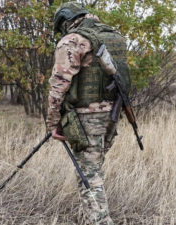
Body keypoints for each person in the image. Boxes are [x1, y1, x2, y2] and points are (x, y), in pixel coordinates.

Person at [47, 2, 131, 225]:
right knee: (94, 169)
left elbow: (59, 84)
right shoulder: (114, 35)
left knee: (89, 176)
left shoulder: (73, 40)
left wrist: (53, 122)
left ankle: (100, 221)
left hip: (88, 116)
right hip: (113, 113)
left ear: (65, 21)